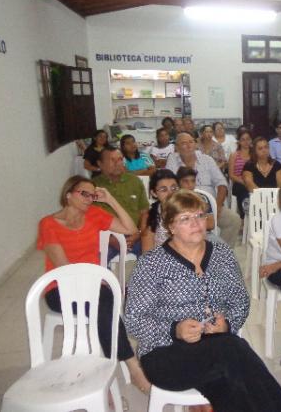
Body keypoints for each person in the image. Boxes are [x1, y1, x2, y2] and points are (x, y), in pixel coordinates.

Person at [125, 191, 281, 412]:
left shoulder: (222, 253)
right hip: (165, 353)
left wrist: (227, 324)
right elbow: (133, 319)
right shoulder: (151, 263)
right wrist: (174, 329)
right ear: (171, 226)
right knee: (233, 349)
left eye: (200, 215)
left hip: (216, 345)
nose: (196, 223)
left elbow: (240, 300)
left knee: (232, 385)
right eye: (186, 218)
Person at [38, 175, 151, 394]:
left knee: (104, 304)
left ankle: (109, 375)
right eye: (84, 193)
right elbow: (65, 269)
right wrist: (93, 283)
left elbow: (130, 229)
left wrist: (109, 200)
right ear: (68, 194)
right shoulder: (48, 224)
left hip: (93, 286)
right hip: (60, 289)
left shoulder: (95, 215)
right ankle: (129, 368)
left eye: (92, 194)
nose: (89, 199)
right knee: (105, 305)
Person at [166, 132, 240, 247]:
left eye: (191, 142)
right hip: (184, 206)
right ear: (177, 147)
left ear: (195, 144)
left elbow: (222, 184)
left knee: (234, 220)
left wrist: (218, 205)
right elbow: (170, 185)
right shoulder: (172, 160)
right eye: (184, 143)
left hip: (210, 205)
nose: (189, 145)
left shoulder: (207, 159)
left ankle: (221, 252)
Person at [94, 147, 149, 257]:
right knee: (96, 263)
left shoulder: (134, 181)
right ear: (100, 164)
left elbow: (145, 212)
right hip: (107, 238)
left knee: (152, 258)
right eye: (112, 160)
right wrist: (110, 240)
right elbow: (88, 220)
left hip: (135, 235)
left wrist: (139, 234)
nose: (118, 163)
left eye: (120, 159)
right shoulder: (93, 186)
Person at [176, 167, 222, 244]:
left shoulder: (202, 198)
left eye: (193, 181)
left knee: (224, 250)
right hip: (181, 236)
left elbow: (211, 224)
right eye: (185, 181)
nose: (190, 185)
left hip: (204, 235)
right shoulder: (174, 200)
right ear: (178, 183)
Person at [140, 169, 179, 252]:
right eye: (164, 190)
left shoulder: (188, 211)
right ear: (154, 193)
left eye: (174, 188)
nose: (170, 193)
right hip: (161, 261)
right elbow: (147, 253)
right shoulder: (149, 216)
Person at [228, 129, 252, 219]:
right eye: (243, 139)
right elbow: (231, 175)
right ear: (239, 142)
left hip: (253, 181)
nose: (246, 142)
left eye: (248, 139)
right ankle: (245, 216)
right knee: (243, 191)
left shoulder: (254, 154)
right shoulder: (234, 155)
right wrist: (244, 182)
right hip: (239, 183)